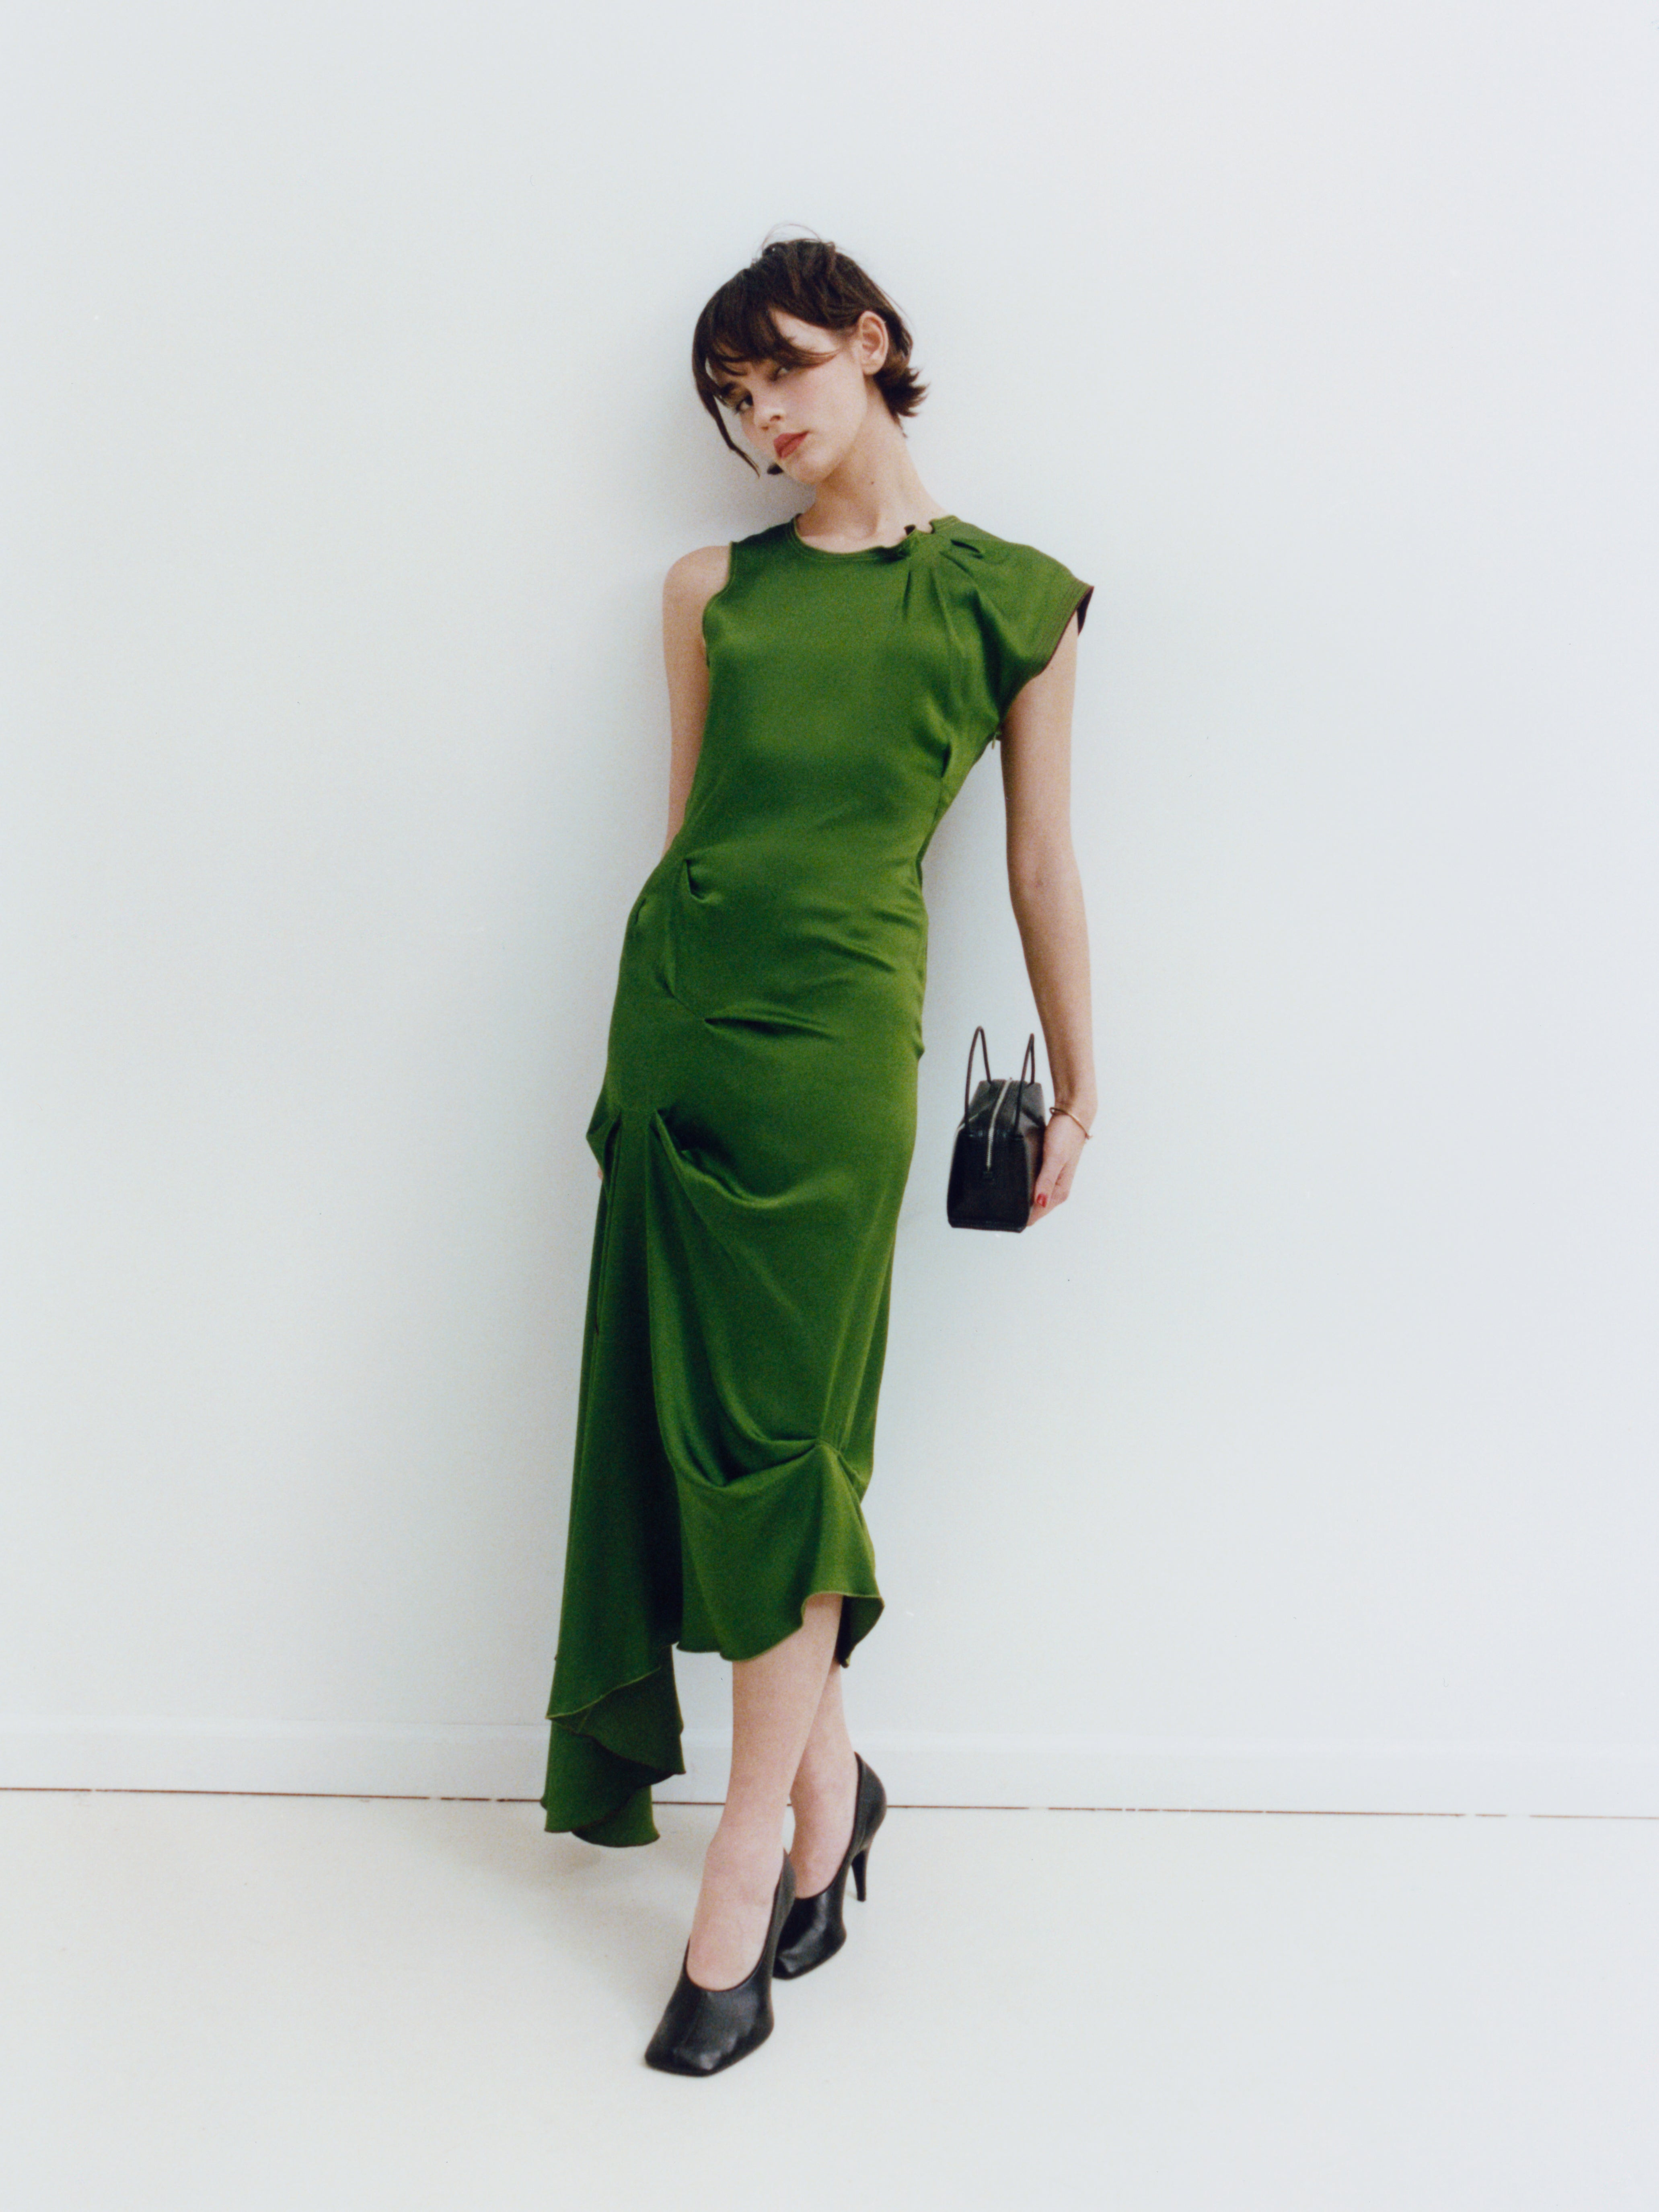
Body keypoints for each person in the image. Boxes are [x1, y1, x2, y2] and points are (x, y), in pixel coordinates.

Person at [540, 234, 1097, 2075]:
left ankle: (739, 1892)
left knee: (783, 1464)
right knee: (717, 1460)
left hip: (843, 1066)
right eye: (732, 396)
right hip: (683, 1037)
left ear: (869, 343)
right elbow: (686, 839)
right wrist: (642, 1052)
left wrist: (1081, 1092)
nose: (759, 415)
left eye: (778, 371)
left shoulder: (1013, 598)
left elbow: (1034, 867)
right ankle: (834, 1803)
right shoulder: (711, 589)